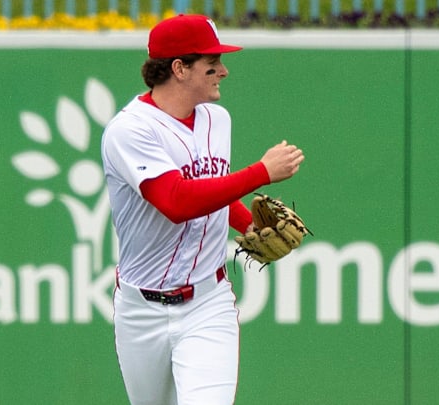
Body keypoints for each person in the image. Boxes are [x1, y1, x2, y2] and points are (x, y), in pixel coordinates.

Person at [100, 14, 305, 405]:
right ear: (179, 68)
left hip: (208, 304)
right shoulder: (130, 130)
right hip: (141, 309)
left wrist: (246, 224)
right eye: (212, 64)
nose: (223, 71)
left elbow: (212, 192)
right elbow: (175, 201)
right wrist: (261, 172)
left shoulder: (217, 120)